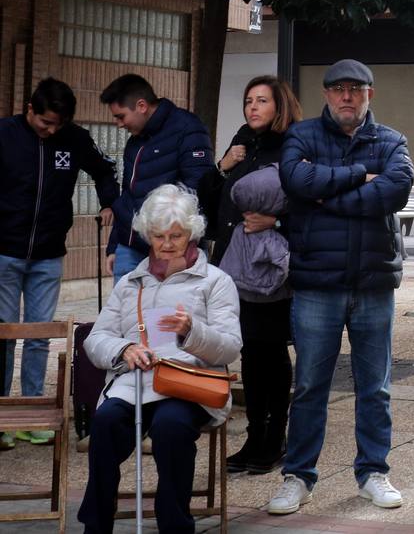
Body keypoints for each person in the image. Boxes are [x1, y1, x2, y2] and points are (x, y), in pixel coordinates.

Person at [266, 59, 413, 515]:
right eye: (338, 89)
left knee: (377, 387)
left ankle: (373, 472)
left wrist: (324, 196)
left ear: (371, 94)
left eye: (356, 88)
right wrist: (355, 177)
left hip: (374, 283)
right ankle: (298, 477)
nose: (347, 96)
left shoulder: (391, 141)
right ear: (327, 95)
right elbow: (294, 179)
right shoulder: (302, 137)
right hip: (316, 283)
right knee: (310, 384)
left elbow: (396, 190)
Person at [78, 184, 241, 533]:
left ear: (191, 233)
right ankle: (96, 525)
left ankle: (175, 525)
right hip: (135, 381)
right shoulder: (131, 283)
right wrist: (124, 349)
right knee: (105, 425)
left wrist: (191, 331)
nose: (167, 244)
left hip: (188, 382)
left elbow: (230, 347)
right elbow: (96, 340)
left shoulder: (215, 281)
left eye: (176, 235)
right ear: (146, 236)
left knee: (170, 427)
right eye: (158, 236)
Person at [0, 78, 119, 450]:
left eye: (58, 125)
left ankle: (35, 412)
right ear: (30, 110)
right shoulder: (5, 133)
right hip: (4, 250)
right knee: (3, 334)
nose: (51, 130)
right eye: (45, 122)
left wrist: (108, 202)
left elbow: (104, 169)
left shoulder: (75, 139)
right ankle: (3, 415)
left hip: (49, 253)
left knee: (38, 335)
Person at [198, 76, 301, 475]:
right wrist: (221, 168)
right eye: (248, 101)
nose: (253, 108)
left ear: (280, 106)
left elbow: (308, 203)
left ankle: (275, 438)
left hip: (268, 268)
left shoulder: (293, 146)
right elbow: (207, 199)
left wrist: (275, 221)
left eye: (262, 100)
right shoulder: (240, 143)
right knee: (251, 353)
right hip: (231, 265)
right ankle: (255, 436)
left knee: (270, 350)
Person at [100, 74, 214, 284]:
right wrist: (115, 245)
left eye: (121, 116)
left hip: (169, 248)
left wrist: (166, 240)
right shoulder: (135, 140)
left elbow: (197, 189)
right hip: (129, 246)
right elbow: (128, 194)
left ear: (141, 106)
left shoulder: (188, 128)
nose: (119, 124)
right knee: (126, 314)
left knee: (164, 315)